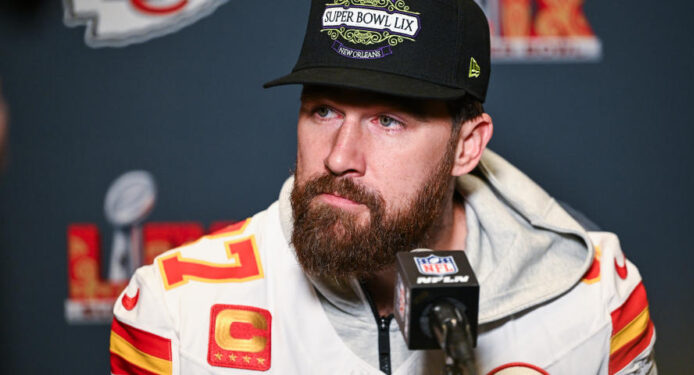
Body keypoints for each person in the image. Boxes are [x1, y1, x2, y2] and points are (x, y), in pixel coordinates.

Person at [109, 0, 656, 374]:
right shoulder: (177, 312)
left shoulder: (597, 300)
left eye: (388, 120)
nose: (339, 156)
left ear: (467, 145)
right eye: (323, 110)